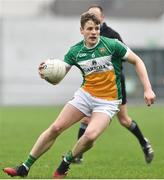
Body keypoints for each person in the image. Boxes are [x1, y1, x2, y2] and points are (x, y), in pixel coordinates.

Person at [3, 12, 156, 179]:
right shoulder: (75, 51)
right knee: (56, 128)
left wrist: (147, 88)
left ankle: (65, 163)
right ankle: (24, 167)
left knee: (90, 136)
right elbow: (58, 78)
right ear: (81, 30)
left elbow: (138, 61)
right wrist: (47, 73)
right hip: (85, 96)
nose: (94, 32)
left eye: (96, 28)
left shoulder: (112, 45)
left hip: (108, 102)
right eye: (89, 29)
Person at [73, 5, 154, 164]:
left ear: (102, 18)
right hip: (94, 85)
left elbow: (127, 56)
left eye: (95, 15)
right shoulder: (86, 36)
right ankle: (78, 155)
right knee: (85, 119)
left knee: (124, 120)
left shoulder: (112, 36)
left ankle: (144, 144)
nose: (93, 19)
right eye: (89, 15)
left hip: (114, 84)